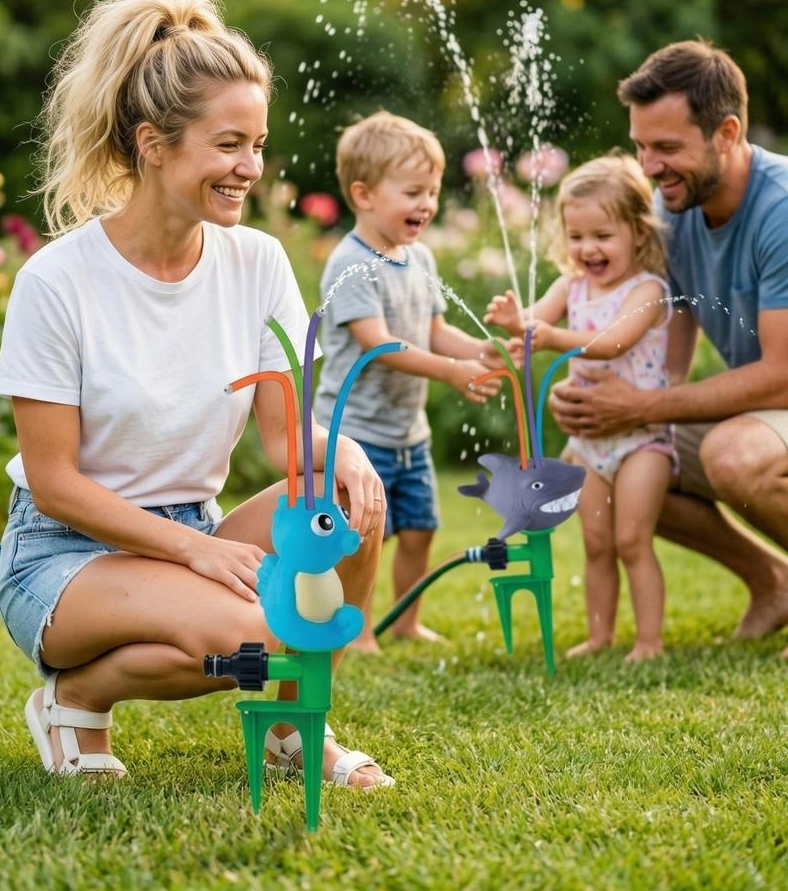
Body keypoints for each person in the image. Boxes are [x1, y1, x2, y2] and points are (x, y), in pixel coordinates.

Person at [0, 0, 395, 786]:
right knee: (255, 634)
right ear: (152, 143)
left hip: (190, 534)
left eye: (257, 143)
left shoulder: (258, 262)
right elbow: (54, 481)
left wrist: (340, 451)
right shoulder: (57, 281)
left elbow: (288, 442)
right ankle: (75, 698)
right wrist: (194, 553)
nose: (251, 166)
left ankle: (292, 729)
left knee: (341, 509)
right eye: (228, 144)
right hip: (63, 556)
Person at [549, 40, 788, 656]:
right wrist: (601, 402)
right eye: (640, 146)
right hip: (770, 407)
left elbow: (782, 377)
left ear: (727, 133)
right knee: (620, 452)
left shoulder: (779, 210)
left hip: (780, 396)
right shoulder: (676, 207)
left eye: (667, 148)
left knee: (731, 454)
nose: (649, 167)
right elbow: (671, 317)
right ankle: (771, 580)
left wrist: (645, 407)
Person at [312, 111, 506, 650]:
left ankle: (407, 621)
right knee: (360, 538)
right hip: (356, 434)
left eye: (433, 192)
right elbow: (377, 344)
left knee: (420, 531)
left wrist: (480, 351)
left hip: (408, 434)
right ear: (364, 194)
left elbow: (435, 329)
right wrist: (453, 373)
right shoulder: (350, 263)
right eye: (413, 191)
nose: (426, 204)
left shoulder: (417, 256)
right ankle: (357, 631)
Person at [486, 154, 674, 661]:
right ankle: (600, 635)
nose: (587, 248)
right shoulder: (571, 286)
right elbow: (533, 323)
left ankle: (650, 642)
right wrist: (512, 324)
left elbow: (611, 343)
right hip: (589, 442)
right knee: (596, 542)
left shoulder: (649, 291)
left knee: (632, 540)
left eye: (602, 235)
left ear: (637, 232)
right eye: (576, 235)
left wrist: (546, 335)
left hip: (642, 440)